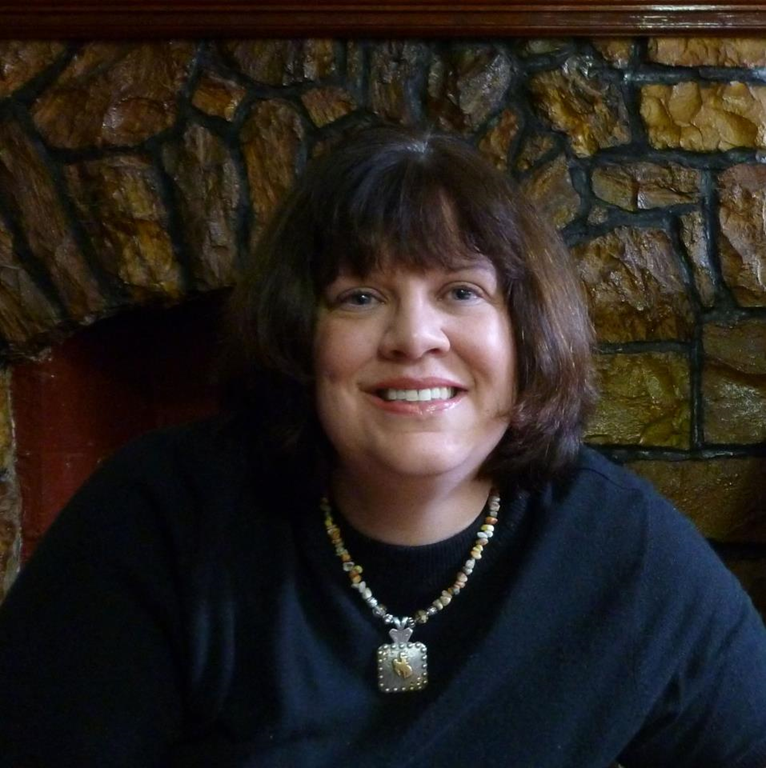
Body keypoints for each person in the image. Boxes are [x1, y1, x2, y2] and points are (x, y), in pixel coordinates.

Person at [0, 124, 765, 768]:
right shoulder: (157, 519)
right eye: (360, 296)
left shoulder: (624, 551)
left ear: (527, 331)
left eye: (461, 291)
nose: (414, 338)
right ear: (300, 335)